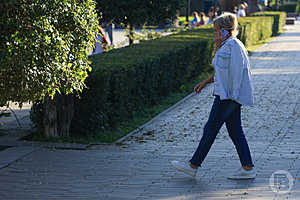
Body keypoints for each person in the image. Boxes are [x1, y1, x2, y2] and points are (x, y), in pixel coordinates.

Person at [171, 13, 256, 180]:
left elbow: (238, 73)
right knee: (235, 131)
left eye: (216, 30)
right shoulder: (225, 46)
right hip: (226, 95)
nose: (213, 33)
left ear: (225, 31)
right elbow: (221, 72)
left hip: (228, 97)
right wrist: (205, 82)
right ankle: (247, 168)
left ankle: (193, 165)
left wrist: (233, 96)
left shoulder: (234, 46)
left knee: (210, 128)